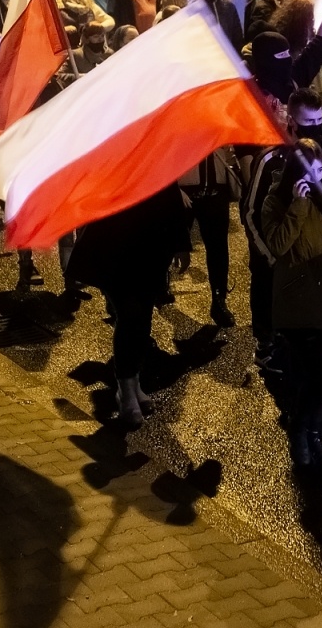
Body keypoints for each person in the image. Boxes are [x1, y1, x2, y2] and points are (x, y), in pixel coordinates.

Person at [67, 185, 192, 428]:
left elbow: (168, 192)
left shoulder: (155, 155)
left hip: (151, 248)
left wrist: (181, 244)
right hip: (114, 247)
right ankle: (125, 388)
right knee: (129, 314)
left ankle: (133, 383)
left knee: (142, 317)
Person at [260, 140, 322, 467]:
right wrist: (297, 206)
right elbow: (279, 245)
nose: (315, 177)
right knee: (306, 377)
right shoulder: (276, 200)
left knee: (319, 374)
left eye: (320, 170)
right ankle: (302, 436)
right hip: (297, 306)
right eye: (309, 171)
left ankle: (309, 433)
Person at [179, 146, 241, 326]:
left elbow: (230, 153)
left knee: (218, 249)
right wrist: (174, 188)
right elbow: (167, 153)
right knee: (171, 245)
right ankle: (158, 288)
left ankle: (219, 299)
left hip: (216, 192)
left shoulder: (219, 121)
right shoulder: (179, 122)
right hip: (186, 190)